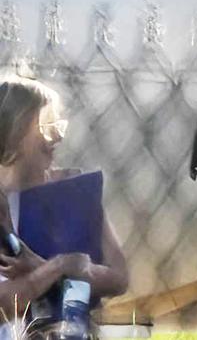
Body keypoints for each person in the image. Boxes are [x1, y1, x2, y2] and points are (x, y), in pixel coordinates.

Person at [0, 76, 128, 327]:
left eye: (58, 125)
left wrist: (42, 267)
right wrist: (58, 267)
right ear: (15, 132)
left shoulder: (74, 191)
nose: (57, 137)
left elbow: (119, 278)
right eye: (46, 126)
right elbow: (5, 302)